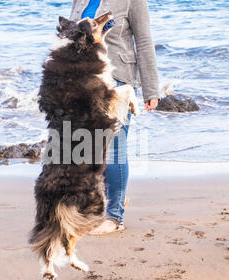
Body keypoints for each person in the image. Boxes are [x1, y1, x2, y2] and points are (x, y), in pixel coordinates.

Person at [69, 0, 159, 235]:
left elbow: (144, 42)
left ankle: (114, 217)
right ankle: (112, 198)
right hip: (85, 79)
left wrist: (151, 89)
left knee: (114, 147)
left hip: (117, 79)